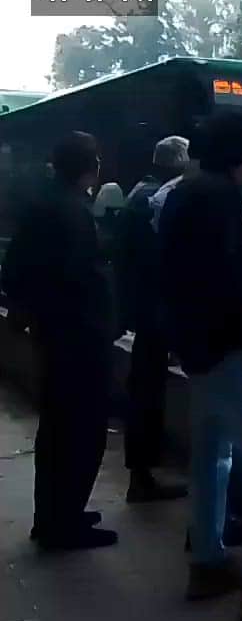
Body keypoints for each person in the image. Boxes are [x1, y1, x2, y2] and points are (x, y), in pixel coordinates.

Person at [159, 111, 242, 620]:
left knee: (213, 452)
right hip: (227, 349)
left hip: (198, 349)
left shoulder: (183, 195)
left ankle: (209, 562)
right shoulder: (220, 201)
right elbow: (235, 283)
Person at [3, 132, 119, 551]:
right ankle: (62, 522)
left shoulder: (45, 206)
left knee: (58, 430)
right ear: (92, 167)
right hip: (78, 339)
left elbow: (15, 268)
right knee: (81, 431)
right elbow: (77, 278)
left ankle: (55, 513)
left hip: (56, 336)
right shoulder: (71, 213)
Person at [117, 136, 190, 503]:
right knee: (147, 394)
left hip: (143, 310)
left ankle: (143, 473)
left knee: (144, 390)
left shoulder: (138, 193)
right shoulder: (156, 200)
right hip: (154, 313)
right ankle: (143, 477)